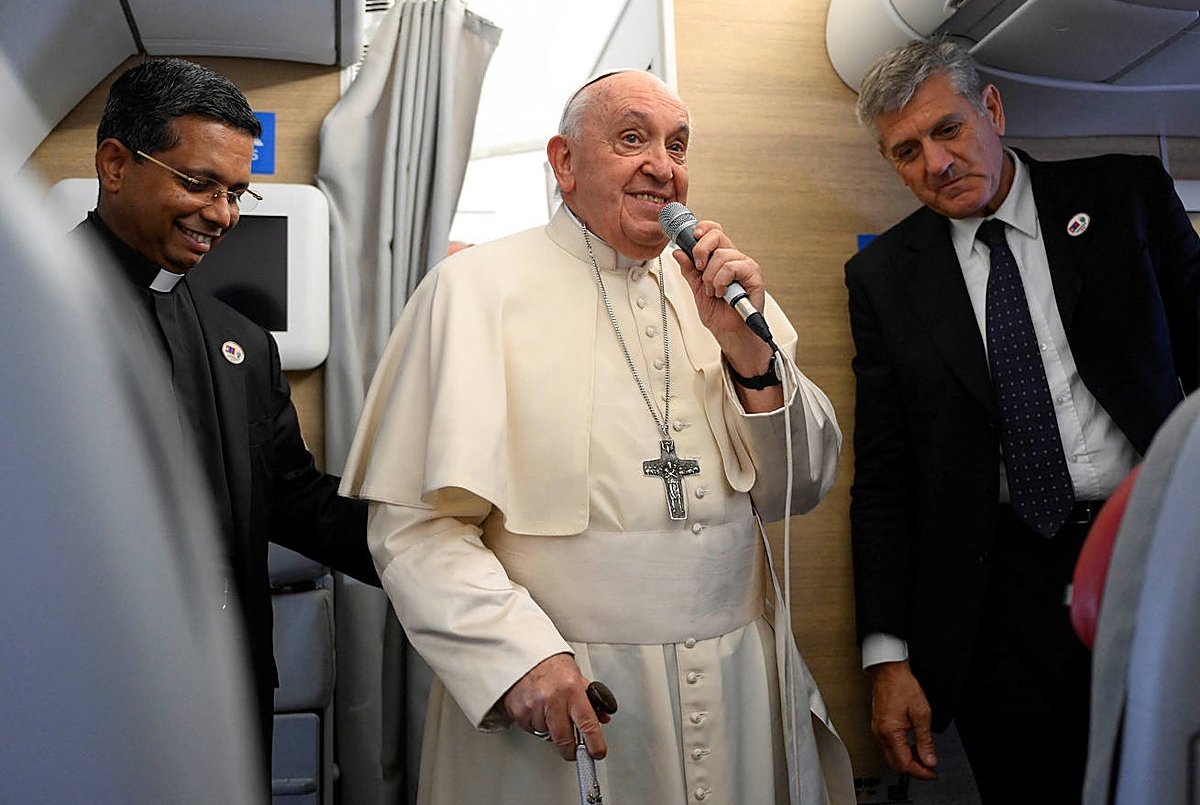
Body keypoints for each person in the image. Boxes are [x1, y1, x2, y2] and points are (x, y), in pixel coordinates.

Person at [340, 69, 855, 804]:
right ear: (564, 162)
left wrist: (749, 356)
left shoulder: (724, 293)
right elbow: (415, 528)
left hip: (740, 681)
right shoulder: (473, 291)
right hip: (573, 685)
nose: (662, 164)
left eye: (677, 145)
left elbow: (798, 489)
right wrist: (521, 658)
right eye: (632, 138)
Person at [844, 36, 1200, 804]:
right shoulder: (883, 278)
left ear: (993, 109)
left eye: (947, 130)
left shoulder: (1125, 198)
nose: (936, 164)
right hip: (999, 595)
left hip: (1153, 549)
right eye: (907, 151)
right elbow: (885, 476)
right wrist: (886, 656)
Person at [79, 57, 381, 777]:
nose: (222, 214)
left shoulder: (240, 341)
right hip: (82, 694)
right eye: (198, 183)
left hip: (229, 697)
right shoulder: (28, 321)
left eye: (236, 192)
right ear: (116, 165)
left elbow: (294, 500)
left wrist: (434, 536)